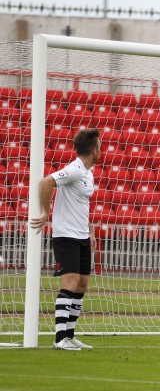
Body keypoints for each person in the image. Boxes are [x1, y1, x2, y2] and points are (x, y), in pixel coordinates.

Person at [30, 128, 101, 351]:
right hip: (65, 236)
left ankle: (70, 335)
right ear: (94, 149)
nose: (101, 149)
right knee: (69, 283)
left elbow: (81, 203)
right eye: (100, 145)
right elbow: (45, 183)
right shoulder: (74, 170)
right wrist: (45, 213)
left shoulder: (89, 172)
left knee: (81, 285)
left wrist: (90, 231)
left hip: (81, 236)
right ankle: (59, 338)